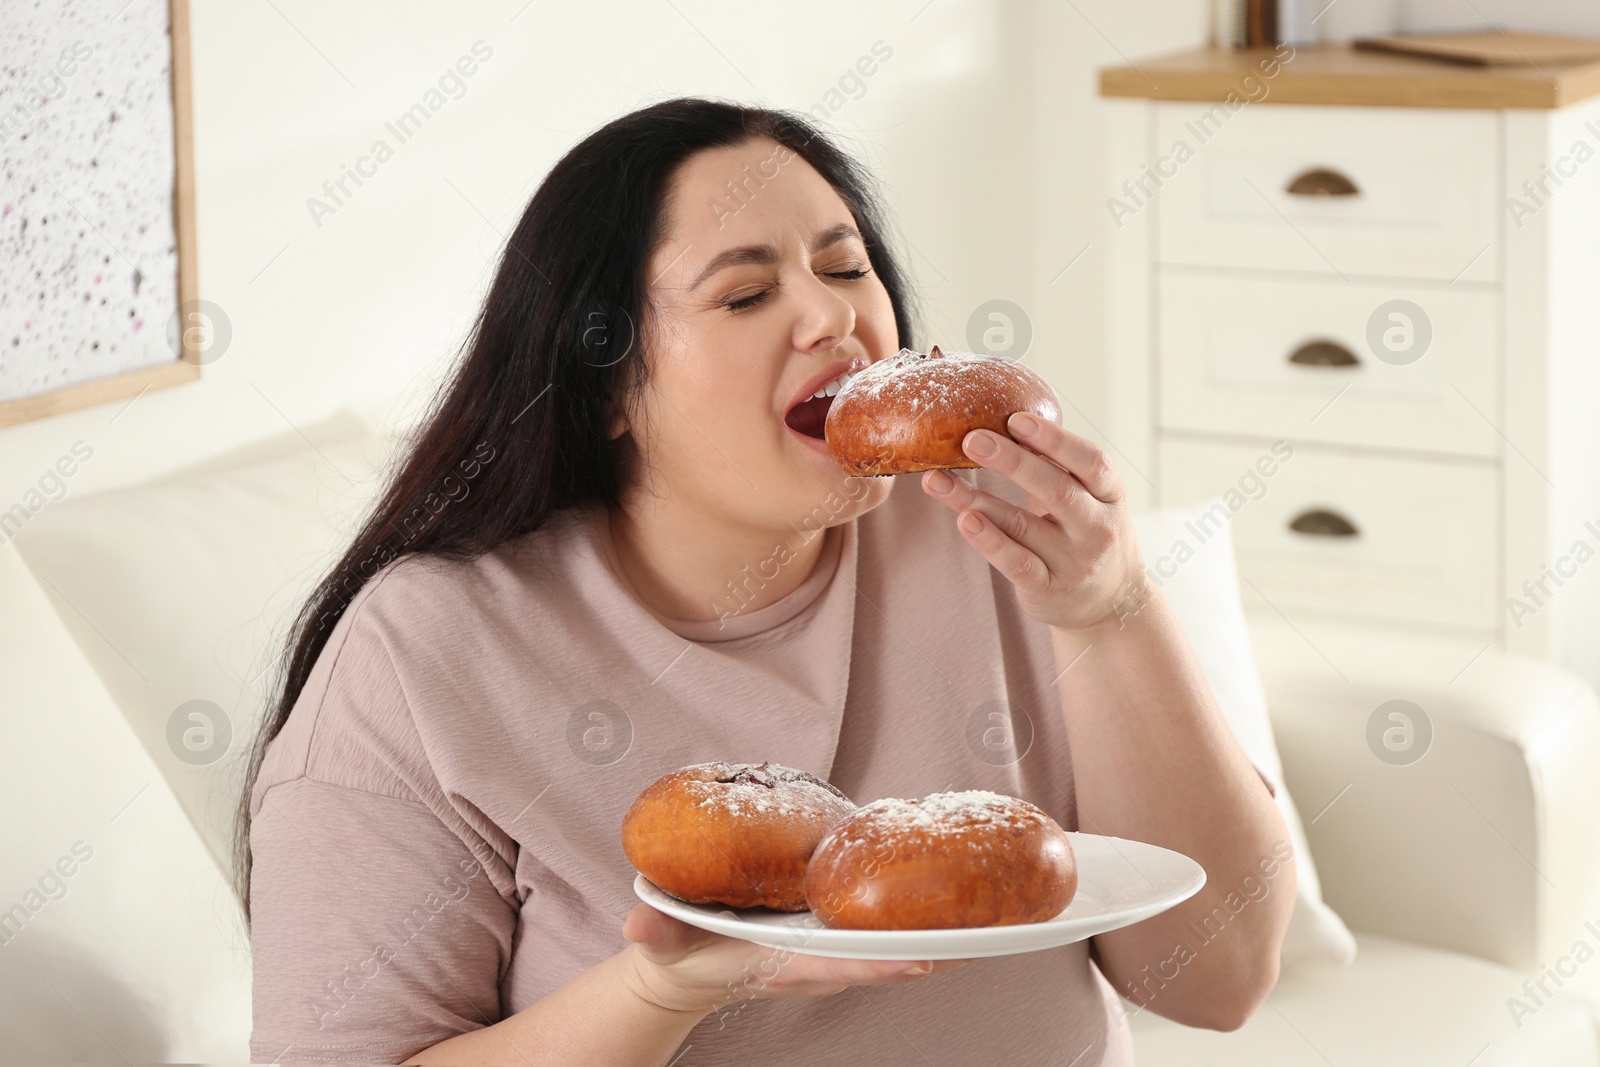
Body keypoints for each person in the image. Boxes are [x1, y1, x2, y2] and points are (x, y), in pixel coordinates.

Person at [237, 97, 1294, 1066]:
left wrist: (1109, 609)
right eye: (744, 292)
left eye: (844, 270)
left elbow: (1217, 975)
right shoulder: (429, 651)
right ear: (606, 383)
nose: (828, 318)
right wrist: (660, 989)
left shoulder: (989, 536)